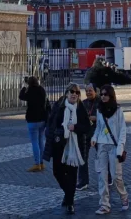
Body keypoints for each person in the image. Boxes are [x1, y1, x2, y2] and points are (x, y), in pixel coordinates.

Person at [47, 84, 90, 214]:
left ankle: (70, 202)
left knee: (72, 175)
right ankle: (68, 194)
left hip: (75, 147)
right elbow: (51, 123)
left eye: (77, 92)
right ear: (66, 93)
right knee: (57, 172)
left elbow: (87, 127)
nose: (74, 94)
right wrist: (57, 132)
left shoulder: (80, 108)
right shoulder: (59, 105)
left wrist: (75, 127)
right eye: (72, 91)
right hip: (59, 145)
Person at [91, 84, 129, 214]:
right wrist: (94, 138)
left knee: (116, 176)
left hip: (114, 146)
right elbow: (99, 127)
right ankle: (104, 204)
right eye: (101, 94)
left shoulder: (118, 110)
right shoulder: (99, 109)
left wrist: (120, 147)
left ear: (111, 95)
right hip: (101, 145)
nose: (103, 96)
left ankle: (124, 196)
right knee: (102, 176)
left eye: (105, 94)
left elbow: (123, 130)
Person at [19, 76, 49, 172]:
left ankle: (37, 164)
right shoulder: (41, 90)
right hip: (42, 119)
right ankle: (41, 162)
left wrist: (24, 86)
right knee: (41, 141)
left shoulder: (30, 91)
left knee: (35, 142)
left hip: (33, 120)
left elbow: (21, 96)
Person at [77, 83, 100, 191]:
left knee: (102, 157)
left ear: (95, 91)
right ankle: (83, 182)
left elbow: (104, 117)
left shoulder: (100, 102)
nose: (88, 93)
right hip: (85, 134)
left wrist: (93, 117)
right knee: (83, 158)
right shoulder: (83, 103)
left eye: (90, 90)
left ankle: (108, 177)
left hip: (98, 134)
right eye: (86, 91)